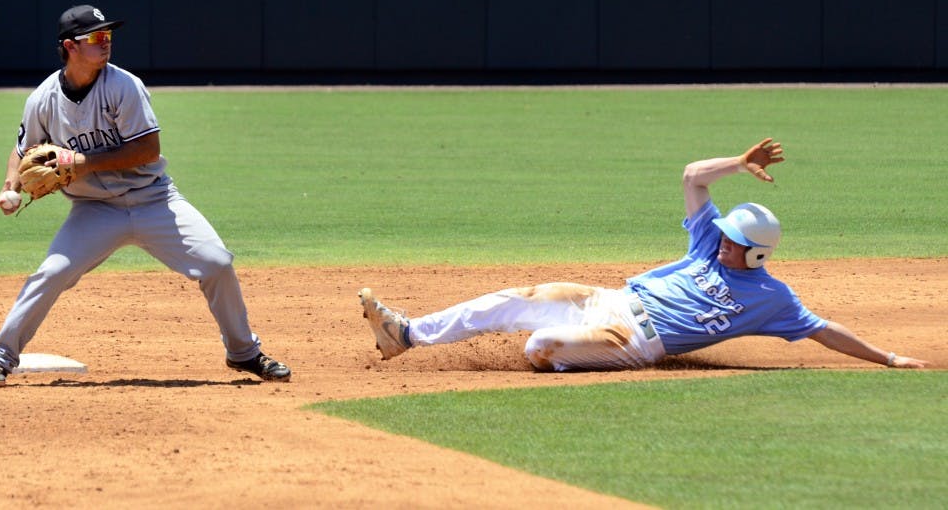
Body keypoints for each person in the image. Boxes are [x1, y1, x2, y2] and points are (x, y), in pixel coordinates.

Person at [359, 138, 928, 372]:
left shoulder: (772, 300)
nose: (723, 238)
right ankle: (406, 335)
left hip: (632, 342)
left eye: (736, 239)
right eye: (727, 232)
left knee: (537, 347)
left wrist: (890, 359)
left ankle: (562, 355)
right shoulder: (708, 242)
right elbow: (691, 177)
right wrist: (735, 162)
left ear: (757, 255)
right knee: (519, 298)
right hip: (609, 299)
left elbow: (825, 330)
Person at [0, 5, 291, 386]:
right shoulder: (42, 99)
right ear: (69, 47)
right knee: (52, 273)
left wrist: (83, 162)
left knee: (217, 263)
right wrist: (10, 186)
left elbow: (147, 150)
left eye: (108, 35)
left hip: (154, 199)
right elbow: (24, 148)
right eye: (95, 37)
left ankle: (243, 353)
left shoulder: (123, 85)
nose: (105, 42)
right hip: (95, 210)